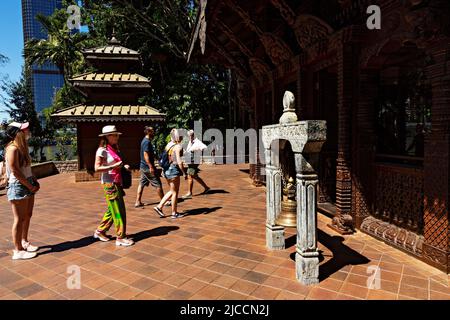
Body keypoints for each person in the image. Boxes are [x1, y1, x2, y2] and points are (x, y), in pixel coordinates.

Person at [4, 121, 40, 260]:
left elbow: (26, 169)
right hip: (18, 186)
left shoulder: (22, 147)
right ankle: (17, 250)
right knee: (19, 219)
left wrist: (34, 180)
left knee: (28, 215)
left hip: (27, 182)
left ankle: (24, 242)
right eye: (24, 130)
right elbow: (15, 171)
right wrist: (30, 186)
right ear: (17, 133)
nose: (28, 131)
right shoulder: (12, 149)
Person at [93, 125, 134, 246]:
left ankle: (100, 231)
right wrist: (113, 167)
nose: (117, 137)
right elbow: (96, 168)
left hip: (116, 182)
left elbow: (117, 164)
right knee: (118, 210)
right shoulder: (102, 150)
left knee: (113, 209)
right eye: (114, 135)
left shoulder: (113, 148)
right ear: (107, 136)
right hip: (109, 183)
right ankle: (120, 237)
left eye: (117, 135)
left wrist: (123, 166)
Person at [153, 129, 187, 219]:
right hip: (174, 170)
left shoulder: (168, 145)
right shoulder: (177, 147)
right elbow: (179, 161)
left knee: (172, 191)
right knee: (175, 192)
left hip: (167, 170)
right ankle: (173, 213)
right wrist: (184, 172)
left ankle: (160, 207)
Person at [135, 126, 170, 208]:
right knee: (158, 184)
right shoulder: (146, 142)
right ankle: (163, 201)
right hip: (147, 167)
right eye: (152, 131)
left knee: (141, 183)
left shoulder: (144, 141)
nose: (154, 133)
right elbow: (145, 154)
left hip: (143, 166)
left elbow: (149, 154)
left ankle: (137, 201)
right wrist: (151, 166)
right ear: (149, 132)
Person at [182, 130, 210, 199]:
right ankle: (206, 187)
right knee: (194, 176)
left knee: (190, 176)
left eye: (191, 135)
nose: (190, 137)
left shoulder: (197, 142)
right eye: (189, 136)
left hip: (193, 162)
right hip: (191, 161)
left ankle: (189, 193)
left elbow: (204, 147)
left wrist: (197, 150)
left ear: (193, 135)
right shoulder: (190, 142)